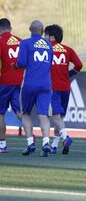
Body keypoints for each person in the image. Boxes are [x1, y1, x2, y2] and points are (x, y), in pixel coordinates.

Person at [15, 20, 54, 157]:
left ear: (29, 29)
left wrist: (17, 65)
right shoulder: (49, 45)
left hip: (30, 83)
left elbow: (21, 63)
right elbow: (49, 64)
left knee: (25, 113)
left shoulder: (25, 43)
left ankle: (30, 142)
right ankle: (45, 142)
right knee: (43, 115)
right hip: (45, 84)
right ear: (42, 31)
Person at [45, 24, 83, 154]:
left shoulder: (46, 49)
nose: (44, 37)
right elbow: (79, 65)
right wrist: (69, 74)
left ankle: (66, 137)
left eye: (46, 34)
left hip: (52, 88)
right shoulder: (68, 49)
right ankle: (55, 146)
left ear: (51, 37)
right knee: (59, 118)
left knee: (55, 117)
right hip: (65, 88)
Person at [0, 18, 23, 153]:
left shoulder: (1, 41)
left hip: (4, 82)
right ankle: (31, 139)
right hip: (19, 82)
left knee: (0, 113)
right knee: (20, 112)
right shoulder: (21, 41)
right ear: (10, 28)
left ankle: (2, 145)